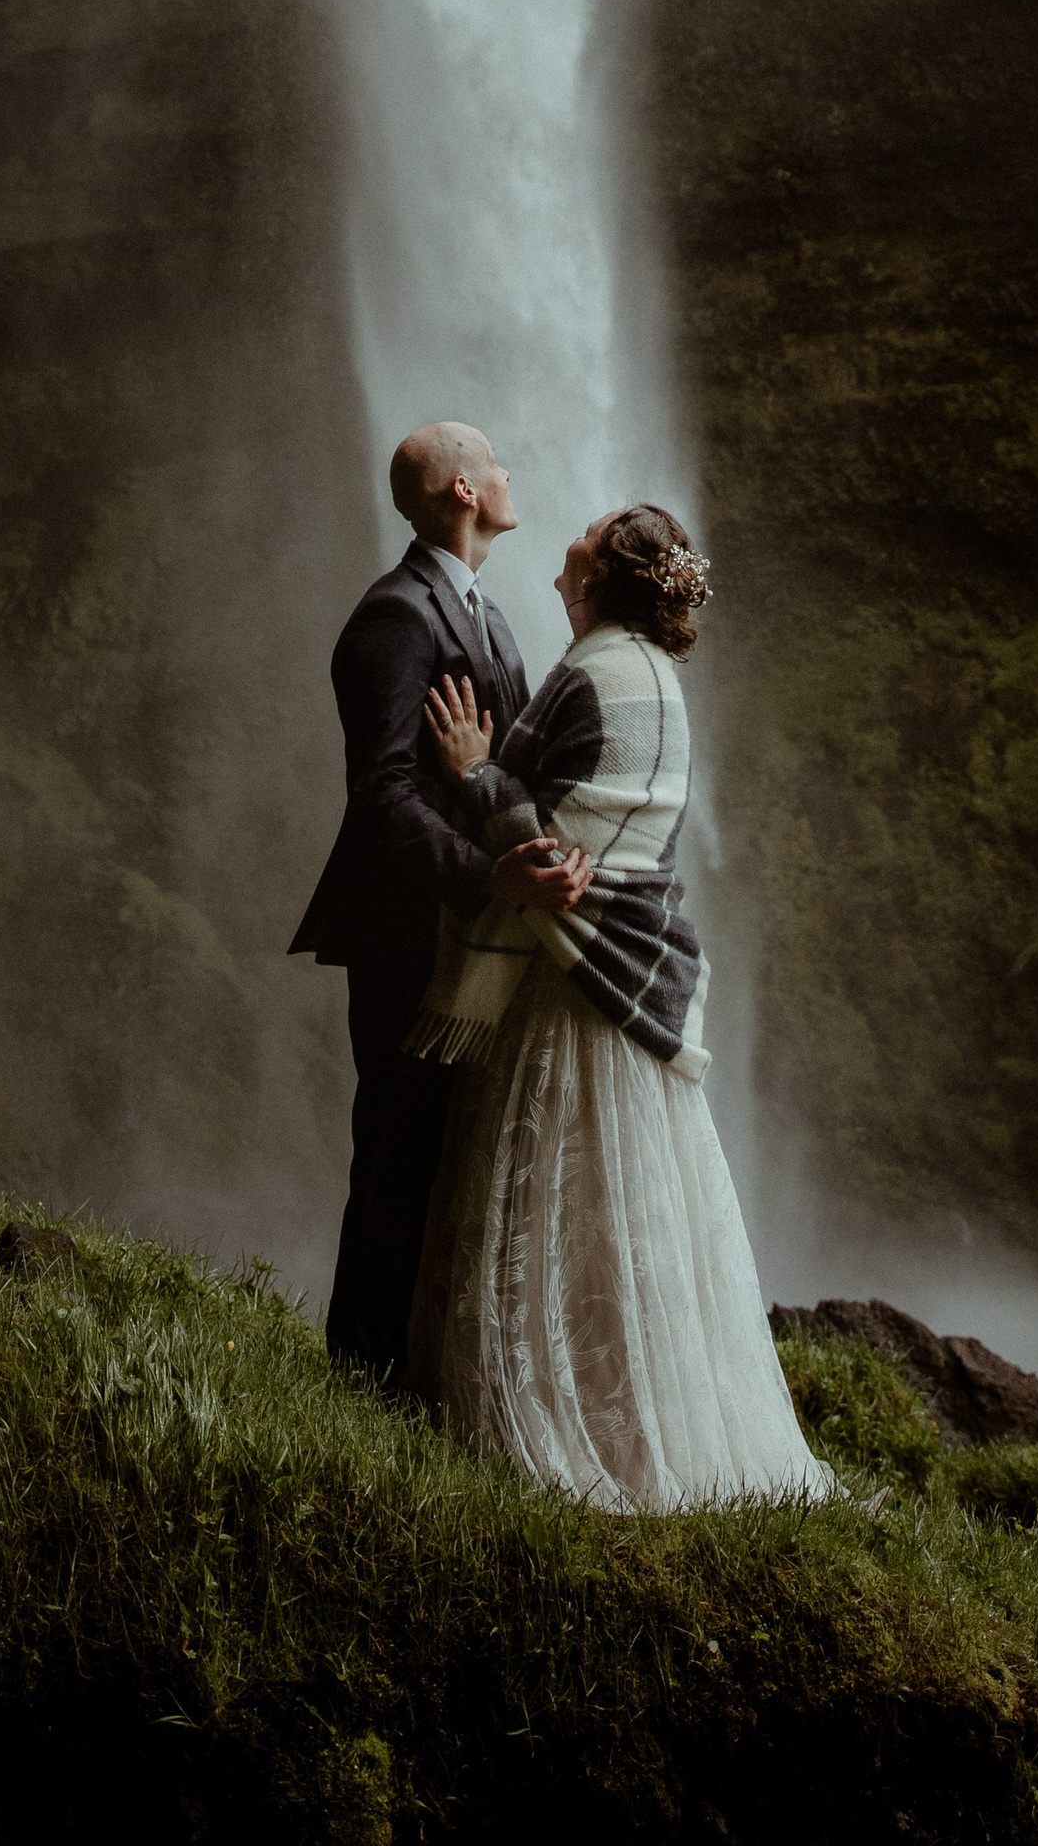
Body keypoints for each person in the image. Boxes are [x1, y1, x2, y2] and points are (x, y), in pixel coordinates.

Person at [405, 501, 833, 1510]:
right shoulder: (660, 684)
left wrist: (471, 776)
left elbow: (548, 851)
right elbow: (626, 844)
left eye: (586, 533)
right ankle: (639, 1414)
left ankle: (555, 1418)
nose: (566, 537)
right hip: (640, 971)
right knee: (627, 1214)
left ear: (598, 576)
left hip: (570, 977)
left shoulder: (589, 673)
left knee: (550, 1197)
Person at [289, 419, 579, 1385]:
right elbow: (381, 797)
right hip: (409, 932)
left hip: (473, 937)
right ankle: (361, 1380)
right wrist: (487, 872)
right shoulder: (394, 619)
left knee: (453, 1156)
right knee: (400, 1155)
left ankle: (424, 1372)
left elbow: (505, 763)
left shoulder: (484, 613)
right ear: (463, 490)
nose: (508, 472)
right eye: (495, 461)